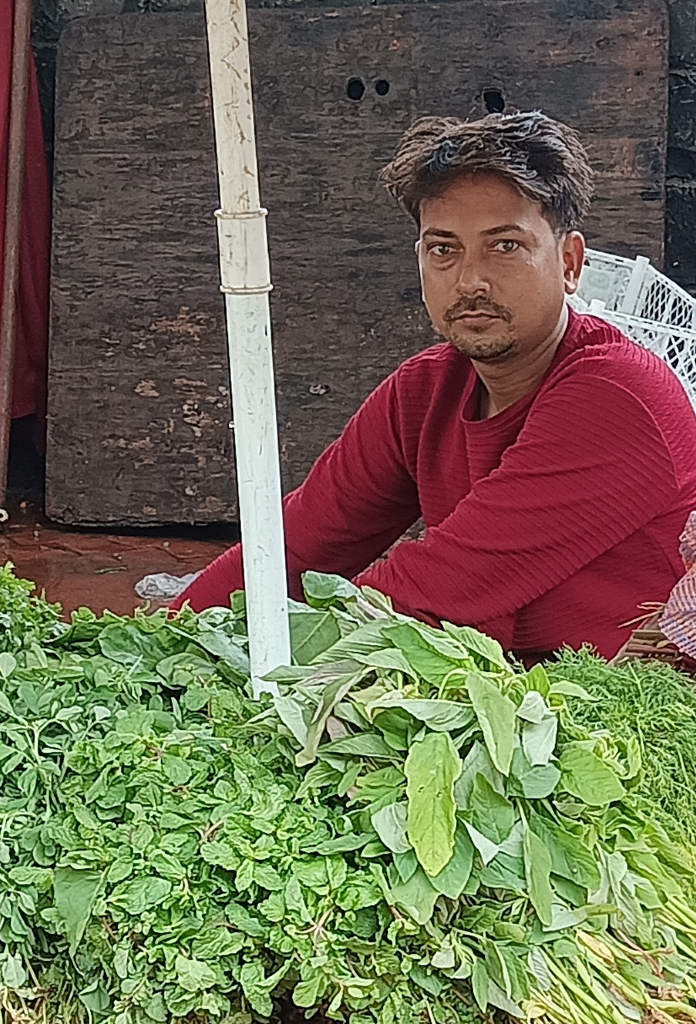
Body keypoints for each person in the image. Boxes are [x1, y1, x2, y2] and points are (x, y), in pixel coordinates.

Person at [172, 111, 696, 661]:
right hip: (497, 691)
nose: (470, 281)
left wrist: (246, 661)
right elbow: (295, 546)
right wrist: (164, 640)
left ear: (569, 263)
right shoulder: (423, 391)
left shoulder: (619, 398)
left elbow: (441, 586)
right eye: (444, 249)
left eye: (505, 246)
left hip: (627, 703)